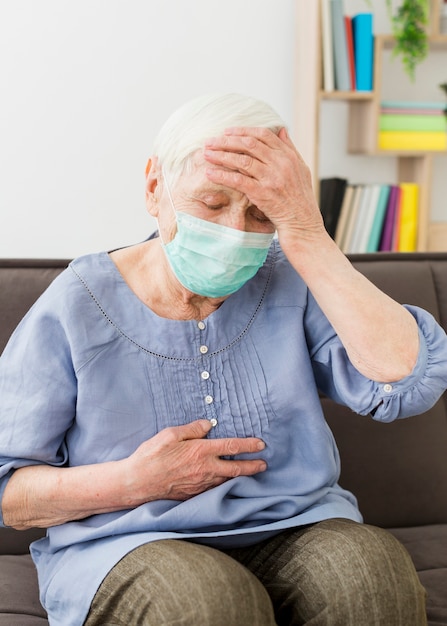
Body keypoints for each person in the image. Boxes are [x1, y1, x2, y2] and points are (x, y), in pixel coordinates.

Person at [0, 93, 446, 626]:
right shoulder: (77, 302)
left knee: (372, 577)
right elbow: (12, 494)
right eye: (212, 204)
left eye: (260, 213)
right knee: (208, 601)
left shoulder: (291, 278)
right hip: (126, 543)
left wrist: (306, 234)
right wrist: (136, 482)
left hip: (295, 526)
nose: (235, 232)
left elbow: (407, 382)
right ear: (154, 187)